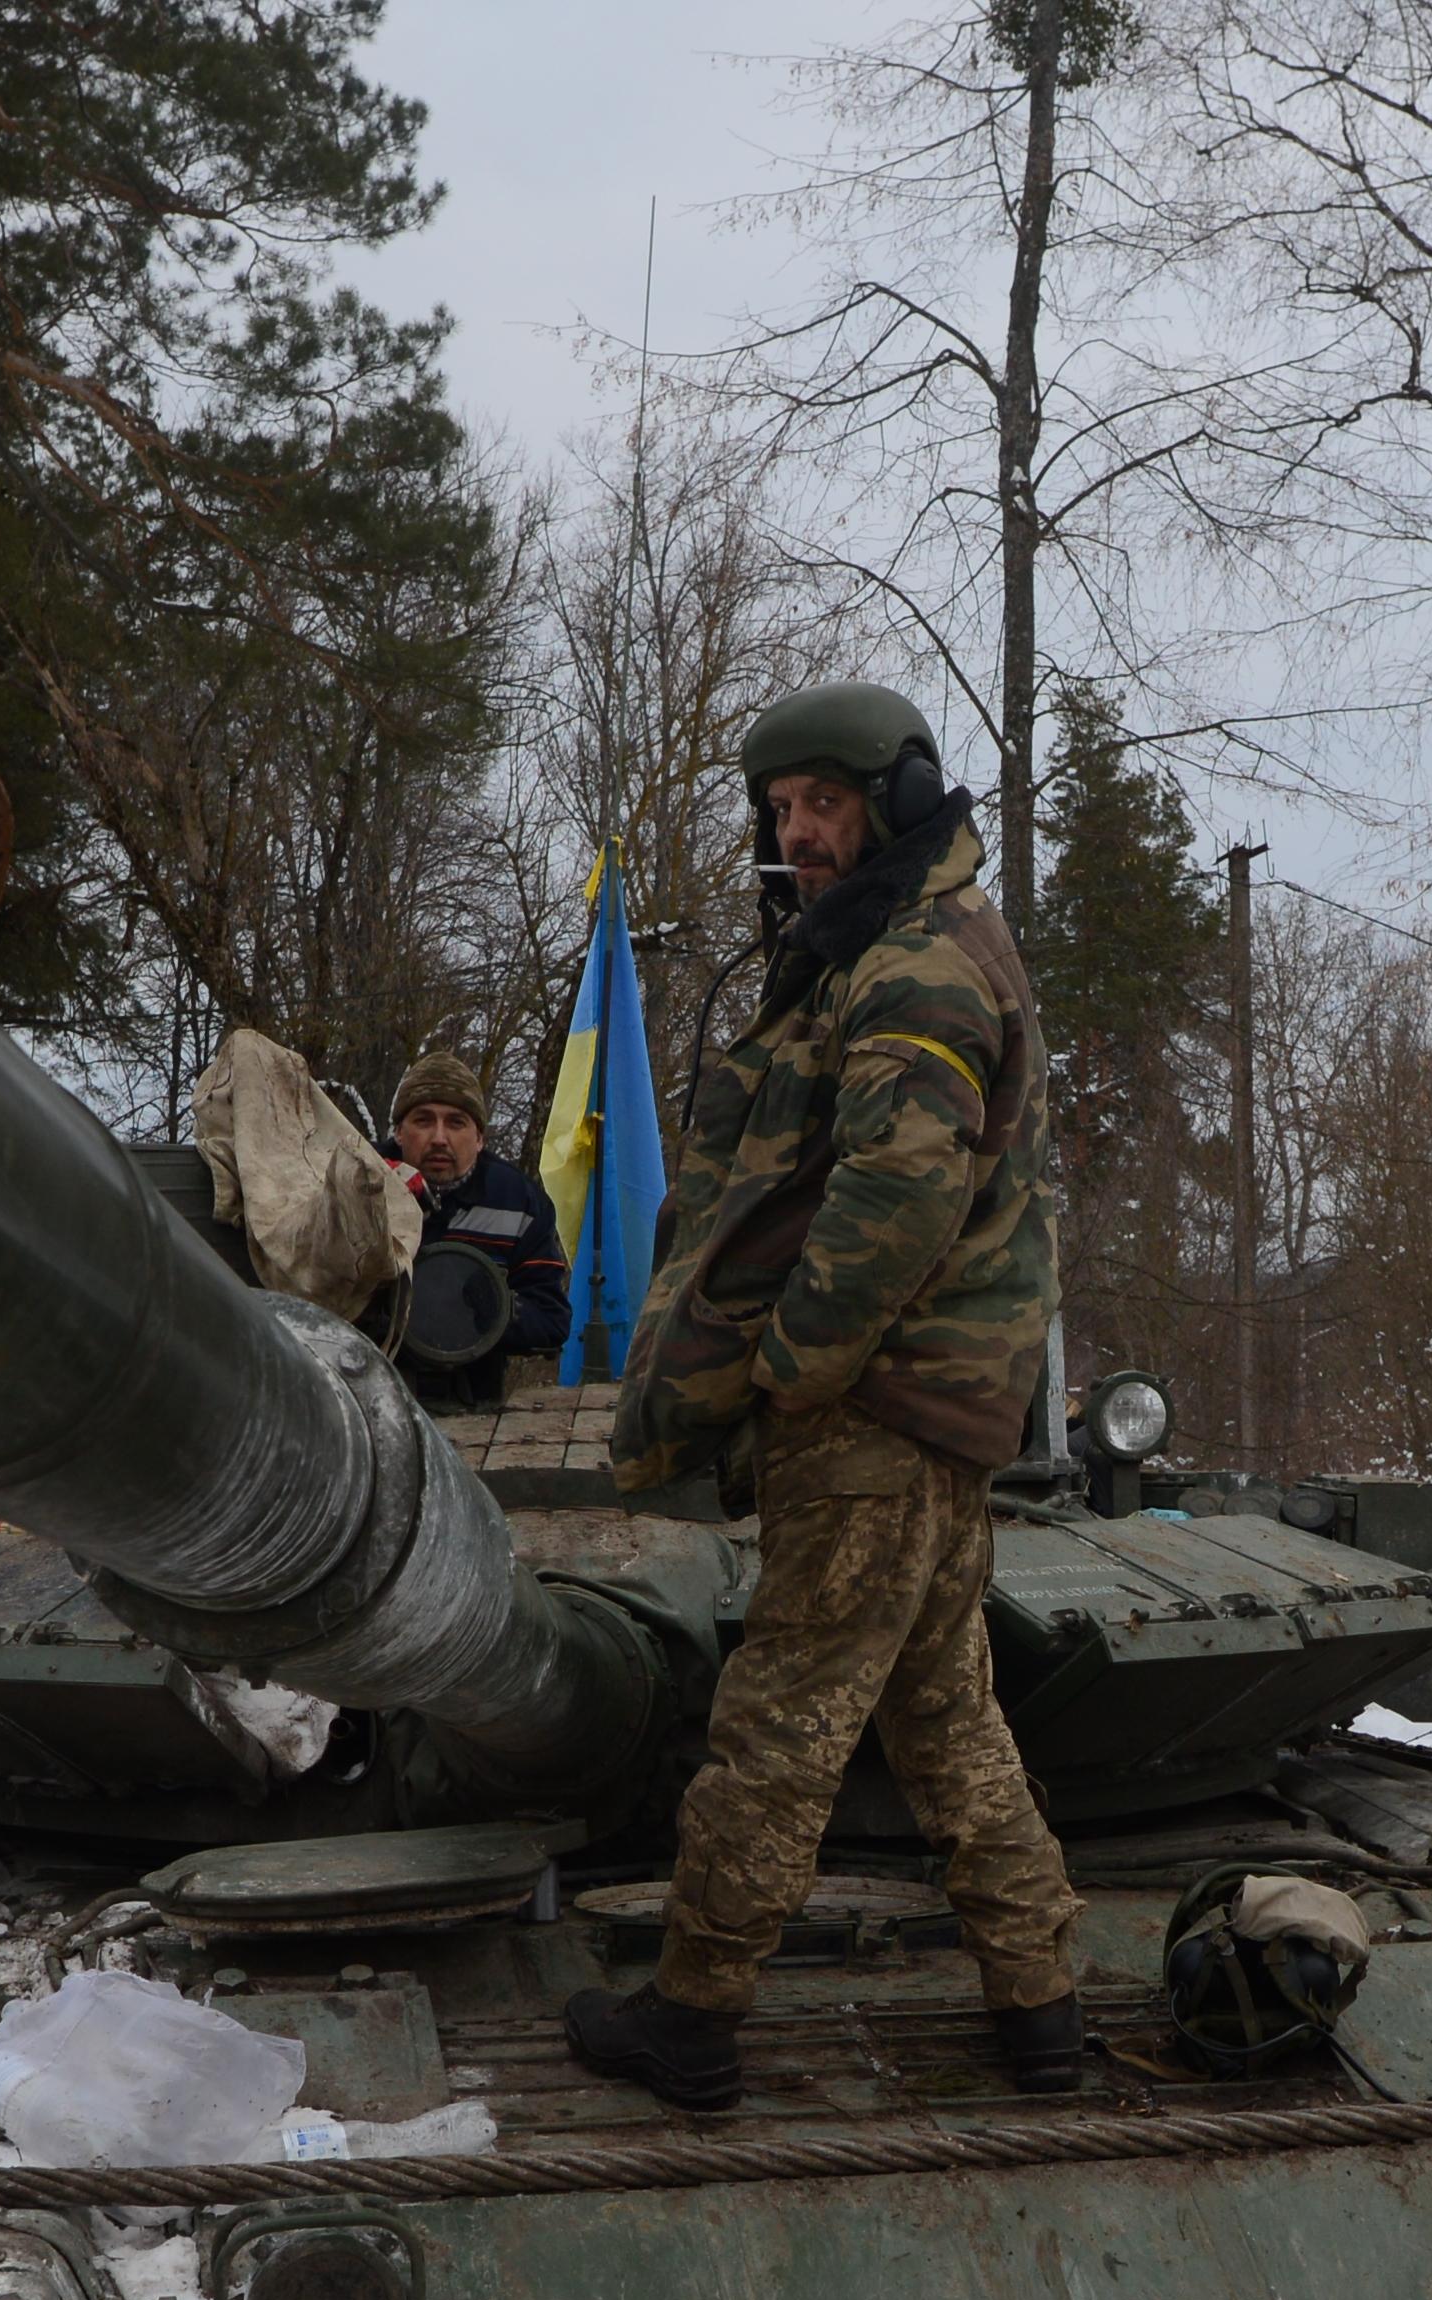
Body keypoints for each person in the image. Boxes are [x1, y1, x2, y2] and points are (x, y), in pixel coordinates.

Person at [565, 682, 1080, 2112]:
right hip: (927, 1415)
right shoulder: (893, 942)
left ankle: (694, 2015)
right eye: (782, 811)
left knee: (780, 1721)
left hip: (871, 1416)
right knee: (944, 1716)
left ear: (899, 801)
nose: (799, 836)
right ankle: (1040, 2009)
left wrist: (790, 1376)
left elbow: (897, 1199)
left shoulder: (914, 962)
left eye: (827, 807)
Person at [383, 1050, 569, 1408]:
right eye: (423, 1121)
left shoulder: (519, 1203)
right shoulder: (358, 1183)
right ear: (399, 1132)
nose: (439, 1138)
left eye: (456, 1123)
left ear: (480, 1138)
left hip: (475, 1406)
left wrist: (495, 1309)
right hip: (368, 1396)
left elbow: (551, 1320)